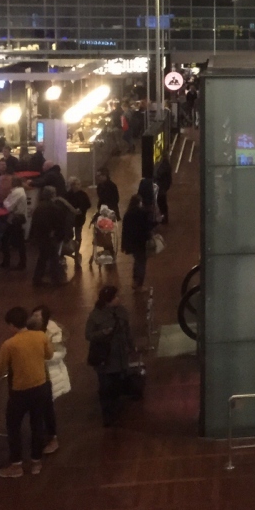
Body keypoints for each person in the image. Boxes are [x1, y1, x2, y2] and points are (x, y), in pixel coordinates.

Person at [0, 306, 53, 478]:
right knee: (37, 424)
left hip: (20, 392)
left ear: (12, 325)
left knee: (13, 427)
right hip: (41, 387)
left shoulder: (9, 344)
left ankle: (16, 465)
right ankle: (36, 463)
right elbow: (49, 355)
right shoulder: (40, 336)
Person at [85, 286, 134, 427]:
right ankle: (107, 415)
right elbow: (88, 335)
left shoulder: (121, 312)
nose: (118, 299)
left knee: (117, 384)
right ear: (108, 300)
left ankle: (116, 409)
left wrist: (131, 346)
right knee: (105, 387)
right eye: (115, 297)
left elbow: (127, 331)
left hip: (120, 355)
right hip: (105, 357)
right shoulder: (95, 316)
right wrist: (103, 333)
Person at [27, 304, 68, 455]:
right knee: (41, 409)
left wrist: (42, 358)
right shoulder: (30, 330)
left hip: (50, 374)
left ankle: (51, 438)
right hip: (36, 375)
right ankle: (43, 437)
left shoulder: (54, 332)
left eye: (38, 316)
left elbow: (60, 353)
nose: (35, 318)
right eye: (34, 315)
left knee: (47, 409)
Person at [29, 187, 66, 287]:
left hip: (39, 236)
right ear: (53, 195)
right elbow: (59, 224)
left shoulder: (39, 207)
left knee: (43, 257)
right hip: (49, 237)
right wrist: (58, 235)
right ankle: (56, 280)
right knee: (54, 258)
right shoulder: (54, 208)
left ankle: (37, 279)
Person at [120, 193, 153, 289]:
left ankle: (135, 281)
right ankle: (139, 284)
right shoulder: (142, 213)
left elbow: (124, 231)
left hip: (131, 243)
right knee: (141, 263)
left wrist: (124, 244)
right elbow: (146, 227)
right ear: (139, 203)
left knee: (137, 261)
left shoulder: (127, 214)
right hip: (140, 242)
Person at [0, 179, 28, 271]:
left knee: (6, 240)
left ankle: (8, 261)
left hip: (15, 219)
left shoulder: (16, 192)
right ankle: (22, 262)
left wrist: (4, 201)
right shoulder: (20, 191)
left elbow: (9, 206)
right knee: (20, 242)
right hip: (18, 219)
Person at [64, 177, 92, 265]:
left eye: (79, 184)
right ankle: (70, 249)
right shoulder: (68, 195)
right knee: (69, 235)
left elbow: (88, 204)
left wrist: (81, 209)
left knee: (78, 235)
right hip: (70, 218)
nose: (79, 186)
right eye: (77, 184)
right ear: (72, 186)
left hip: (79, 218)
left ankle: (76, 251)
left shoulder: (83, 194)